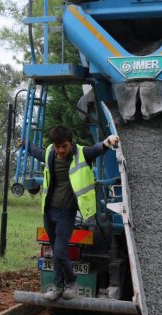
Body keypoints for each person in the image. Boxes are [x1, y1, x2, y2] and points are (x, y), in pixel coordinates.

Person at [26, 125, 119, 301]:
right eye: (57, 146)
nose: (60, 150)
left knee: (60, 252)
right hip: (49, 211)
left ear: (71, 143)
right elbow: (37, 152)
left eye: (64, 146)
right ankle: (58, 286)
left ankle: (71, 281)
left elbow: (97, 149)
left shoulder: (82, 154)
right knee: (55, 252)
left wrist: (108, 142)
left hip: (66, 213)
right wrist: (25, 145)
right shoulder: (50, 153)